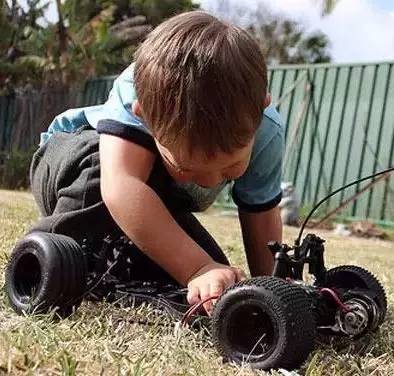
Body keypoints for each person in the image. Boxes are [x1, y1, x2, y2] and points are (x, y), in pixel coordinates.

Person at [30, 11, 285, 314]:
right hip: (71, 167)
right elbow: (121, 185)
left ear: (260, 111)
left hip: (152, 197)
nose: (207, 181)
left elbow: (261, 217)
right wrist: (196, 266)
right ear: (144, 116)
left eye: (230, 168)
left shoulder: (266, 131)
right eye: (186, 168)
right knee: (100, 171)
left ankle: (117, 268)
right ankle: (51, 255)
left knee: (217, 278)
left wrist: (276, 290)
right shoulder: (138, 89)